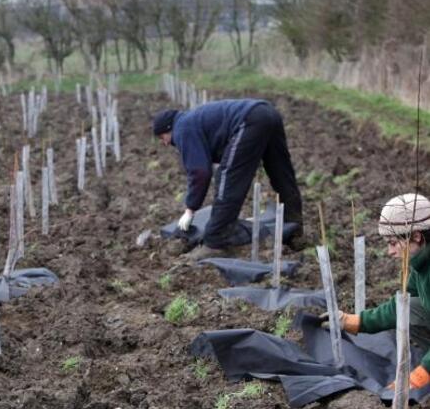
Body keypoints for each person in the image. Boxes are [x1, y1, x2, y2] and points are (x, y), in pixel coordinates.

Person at [152, 99, 303, 261]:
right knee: (281, 172)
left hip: (248, 121)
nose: (165, 143)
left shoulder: (182, 129)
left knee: (226, 177)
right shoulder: (192, 120)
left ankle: (215, 243)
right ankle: (294, 227)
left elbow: (200, 172)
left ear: (169, 129)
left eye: (162, 138)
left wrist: (190, 209)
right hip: (268, 112)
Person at [323, 193, 430, 389]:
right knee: (408, 309)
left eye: (393, 243)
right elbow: (401, 305)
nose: (390, 251)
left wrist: (419, 376)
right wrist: (356, 321)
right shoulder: (419, 263)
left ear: (416, 236)